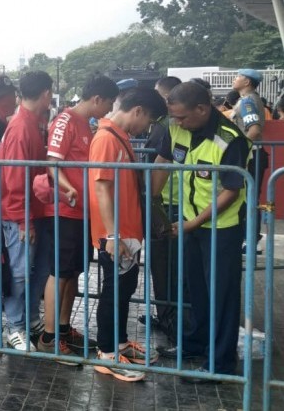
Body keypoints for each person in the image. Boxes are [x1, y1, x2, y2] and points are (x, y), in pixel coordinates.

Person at [153, 81, 251, 383]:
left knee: (220, 295)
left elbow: (230, 192)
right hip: (189, 220)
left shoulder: (230, 139)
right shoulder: (176, 128)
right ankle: (195, 344)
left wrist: (191, 224)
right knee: (195, 288)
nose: (177, 123)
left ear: (202, 109)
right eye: (174, 117)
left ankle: (219, 364)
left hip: (221, 228)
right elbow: (163, 161)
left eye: (182, 117)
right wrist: (150, 199)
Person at [37, 75, 118, 361]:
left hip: (82, 211)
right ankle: (48, 337)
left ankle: (62, 327)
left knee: (73, 272)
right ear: (97, 99)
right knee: (59, 271)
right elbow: (52, 164)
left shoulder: (87, 124)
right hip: (65, 211)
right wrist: (67, 187)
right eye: (108, 103)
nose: (109, 109)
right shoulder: (65, 121)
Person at [89, 87, 166, 382]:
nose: (146, 127)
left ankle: (119, 344)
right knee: (113, 291)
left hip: (126, 233)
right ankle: (107, 354)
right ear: (138, 111)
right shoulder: (107, 139)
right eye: (148, 121)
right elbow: (101, 187)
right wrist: (112, 235)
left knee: (124, 288)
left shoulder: (119, 138)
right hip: (117, 235)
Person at [0, 71, 54, 352]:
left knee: (37, 271)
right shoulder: (22, 127)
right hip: (22, 215)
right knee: (20, 274)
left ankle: (28, 320)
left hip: (34, 212)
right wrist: (23, 220)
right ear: (45, 93)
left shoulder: (31, 123)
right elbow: (15, 179)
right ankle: (15, 327)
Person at [141, 75, 182, 337]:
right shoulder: (175, 125)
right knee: (170, 269)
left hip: (166, 204)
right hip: (172, 202)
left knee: (165, 268)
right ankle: (170, 318)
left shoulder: (166, 127)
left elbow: (155, 162)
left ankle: (171, 320)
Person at [231, 68, 267, 251]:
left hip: (250, 156)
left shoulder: (247, 102)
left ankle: (250, 240)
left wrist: (238, 151)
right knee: (249, 198)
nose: (234, 79)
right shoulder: (248, 100)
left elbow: (253, 130)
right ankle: (250, 239)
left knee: (248, 199)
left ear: (247, 82)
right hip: (253, 155)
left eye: (238, 76)